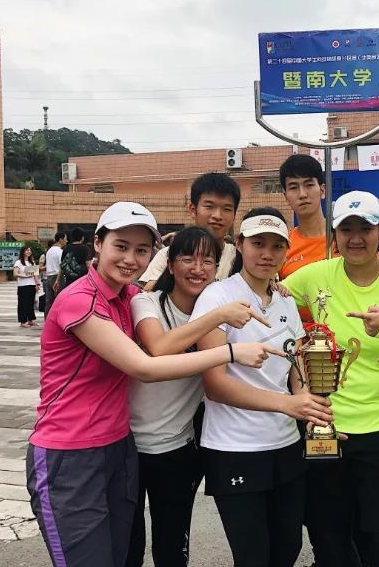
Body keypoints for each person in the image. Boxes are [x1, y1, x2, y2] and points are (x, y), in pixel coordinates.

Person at [26, 201, 282, 567]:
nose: (130, 259)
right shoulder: (81, 301)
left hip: (119, 446)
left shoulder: (127, 296)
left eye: (141, 250)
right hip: (70, 451)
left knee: (123, 554)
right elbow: (146, 366)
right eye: (121, 246)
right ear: (98, 243)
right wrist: (228, 351)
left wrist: (275, 287)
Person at [283, 191, 379, 567]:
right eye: (347, 229)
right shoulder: (315, 276)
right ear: (335, 234)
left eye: (366, 228)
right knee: (328, 538)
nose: (356, 238)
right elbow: (272, 292)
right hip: (326, 426)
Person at [194, 208, 333, 567]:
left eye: (276, 246)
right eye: (258, 243)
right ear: (240, 244)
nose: (267, 254)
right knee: (253, 556)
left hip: (285, 444)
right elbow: (215, 385)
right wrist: (287, 405)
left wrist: (310, 409)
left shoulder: (285, 299)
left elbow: (296, 366)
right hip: (235, 447)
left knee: (287, 548)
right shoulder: (217, 297)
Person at [126, 226, 271, 567]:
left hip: (177, 449)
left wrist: (274, 286)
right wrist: (217, 317)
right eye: (187, 259)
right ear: (170, 264)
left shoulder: (218, 307)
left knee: (173, 545)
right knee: (127, 544)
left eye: (208, 261)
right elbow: (159, 348)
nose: (198, 268)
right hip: (127, 446)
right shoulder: (146, 302)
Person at [140, 173, 240, 290]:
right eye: (209, 206)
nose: (217, 216)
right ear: (193, 210)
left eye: (227, 209)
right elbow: (149, 290)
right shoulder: (168, 254)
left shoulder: (239, 257)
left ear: (234, 215)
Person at [278, 154, 329, 279]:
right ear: (286, 197)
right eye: (294, 187)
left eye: (309, 185)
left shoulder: (344, 238)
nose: (302, 194)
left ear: (322, 191)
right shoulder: (282, 246)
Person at [14, 245, 39, 328]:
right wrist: (25, 276)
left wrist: (37, 284)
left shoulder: (32, 262)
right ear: (23, 252)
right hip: (23, 286)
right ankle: (23, 321)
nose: (29, 251)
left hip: (32, 285)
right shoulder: (18, 262)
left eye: (30, 250)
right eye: (27, 250)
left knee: (30, 303)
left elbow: (35, 274)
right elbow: (15, 273)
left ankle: (31, 320)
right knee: (23, 304)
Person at [43, 232, 66, 315]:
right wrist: (58, 280)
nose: (66, 241)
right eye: (65, 239)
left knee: (49, 301)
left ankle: (47, 319)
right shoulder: (60, 251)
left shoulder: (49, 251)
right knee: (59, 300)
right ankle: (58, 319)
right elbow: (61, 267)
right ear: (60, 239)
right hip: (57, 277)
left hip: (48, 277)